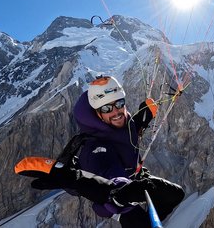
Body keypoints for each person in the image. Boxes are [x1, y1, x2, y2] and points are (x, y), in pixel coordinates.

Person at [73, 75, 185, 227]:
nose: (116, 112)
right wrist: (124, 188)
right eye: (107, 108)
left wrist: (142, 118)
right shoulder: (94, 148)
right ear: (97, 114)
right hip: (119, 197)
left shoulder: (120, 123)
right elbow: (106, 172)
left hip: (134, 179)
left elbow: (126, 133)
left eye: (119, 103)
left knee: (175, 194)